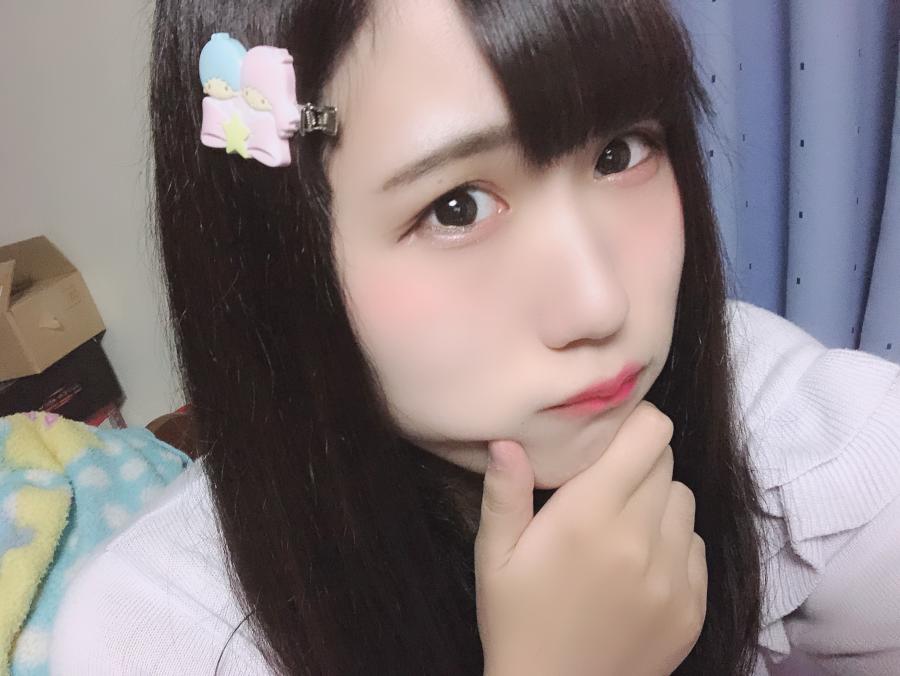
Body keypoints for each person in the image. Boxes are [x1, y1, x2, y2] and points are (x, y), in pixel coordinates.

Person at [49, 0, 900, 674]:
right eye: (455, 207)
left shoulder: (789, 437)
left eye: (619, 153)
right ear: (273, 261)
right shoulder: (163, 634)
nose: (599, 305)